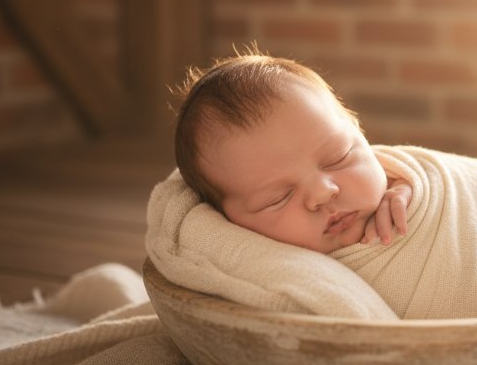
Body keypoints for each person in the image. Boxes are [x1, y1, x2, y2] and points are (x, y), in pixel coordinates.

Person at [173, 48, 412, 254]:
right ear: (226, 221)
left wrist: (411, 187)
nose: (322, 193)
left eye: (338, 157)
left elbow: (441, 175)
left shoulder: (408, 185)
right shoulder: (264, 275)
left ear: (358, 130)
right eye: (279, 198)